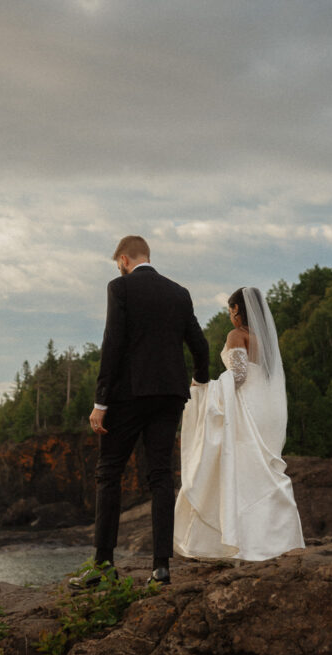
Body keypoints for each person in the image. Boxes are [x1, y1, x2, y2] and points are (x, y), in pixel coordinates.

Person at [79, 235, 210, 587]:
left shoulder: (120, 288)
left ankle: (103, 566)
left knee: (108, 473)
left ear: (123, 259)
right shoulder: (178, 293)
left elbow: (113, 342)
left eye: (117, 263)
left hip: (129, 395)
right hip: (170, 394)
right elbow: (198, 343)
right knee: (161, 476)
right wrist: (200, 380)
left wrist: (100, 402)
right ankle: (161, 567)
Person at [173, 286, 305, 561]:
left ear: (237, 311)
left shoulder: (237, 335)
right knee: (264, 471)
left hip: (245, 407)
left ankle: (242, 542)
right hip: (266, 409)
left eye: (230, 310)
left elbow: (240, 376)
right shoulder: (266, 341)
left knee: (243, 471)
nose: (230, 316)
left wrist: (203, 389)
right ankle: (277, 540)